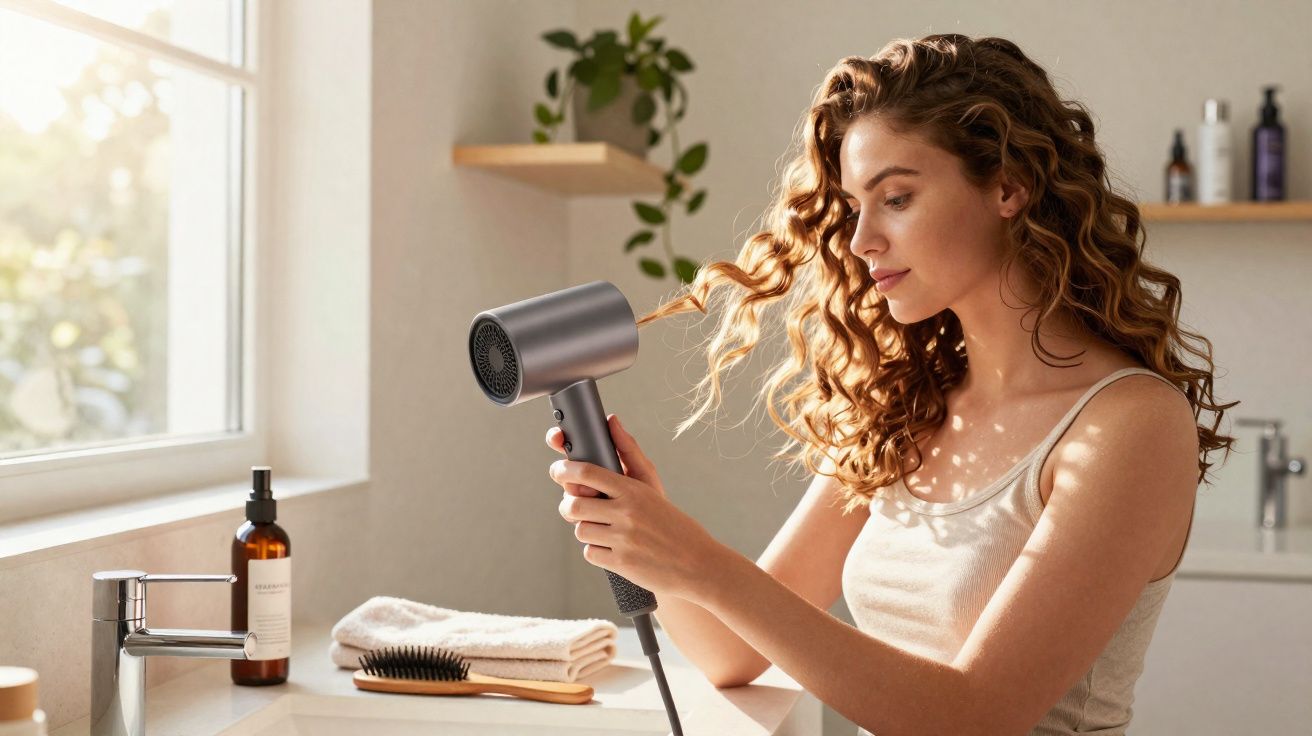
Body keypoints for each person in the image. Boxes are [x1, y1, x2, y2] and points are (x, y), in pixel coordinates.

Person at [544, 33, 1237, 735]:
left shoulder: (1129, 424)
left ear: (1008, 187)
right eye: (854, 207)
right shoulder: (908, 410)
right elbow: (731, 653)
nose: (860, 240)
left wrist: (701, 562)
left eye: (897, 198)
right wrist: (652, 539)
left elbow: (976, 717)